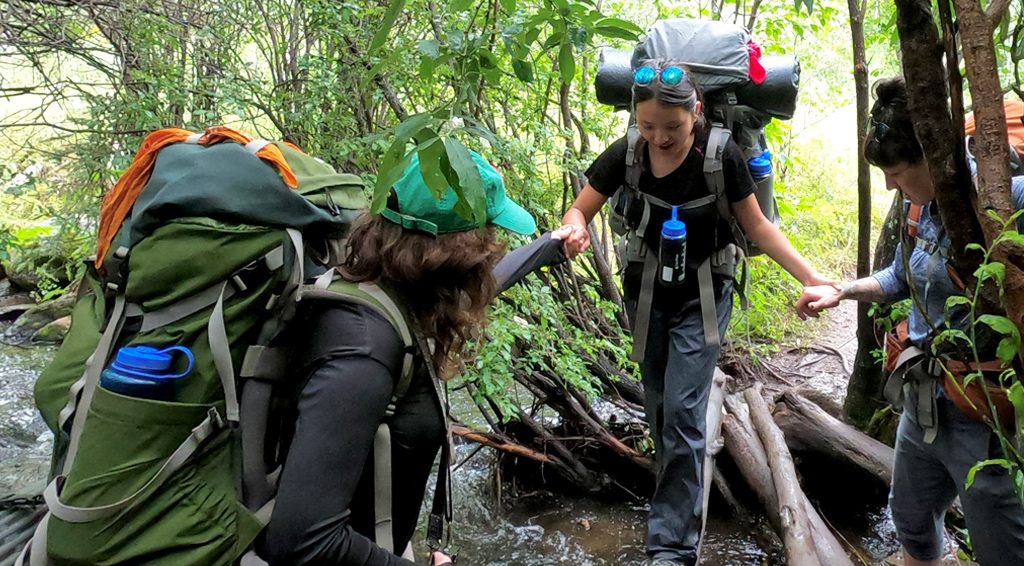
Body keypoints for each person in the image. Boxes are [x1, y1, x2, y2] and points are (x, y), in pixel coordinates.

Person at [559, 59, 833, 565]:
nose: (659, 138)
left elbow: (757, 227)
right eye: (647, 127)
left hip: (703, 297)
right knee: (662, 407)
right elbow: (582, 207)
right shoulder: (628, 154)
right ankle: (674, 500)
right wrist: (575, 226)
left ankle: (671, 545)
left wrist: (810, 276)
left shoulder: (720, 156)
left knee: (684, 411)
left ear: (697, 112)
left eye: (673, 127)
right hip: (646, 297)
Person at [264, 152, 568, 566]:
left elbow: (486, 286)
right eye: (490, 235)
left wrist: (551, 246)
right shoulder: (363, 348)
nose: (495, 250)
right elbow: (303, 541)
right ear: (460, 254)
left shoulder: (393, 289)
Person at [796, 77, 1024, 566]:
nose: (888, 185)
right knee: (912, 519)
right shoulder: (919, 207)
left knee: (1001, 545)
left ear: (934, 157)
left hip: (987, 409)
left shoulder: (1010, 202)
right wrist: (843, 290)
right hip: (924, 399)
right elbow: (901, 274)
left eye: (896, 172)